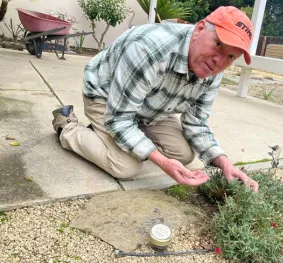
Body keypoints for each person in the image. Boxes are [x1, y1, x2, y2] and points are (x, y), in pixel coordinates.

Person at [52, 6, 259, 191]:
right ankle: (67, 127)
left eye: (231, 57)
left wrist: (225, 164)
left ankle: (113, 138)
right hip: (106, 97)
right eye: (219, 45)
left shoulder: (214, 70)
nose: (219, 61)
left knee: (185, 155)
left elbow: (197, 123)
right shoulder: (149, 49)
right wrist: (160, 160)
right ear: (199, 29)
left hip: (151, 108)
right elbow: (119, 119)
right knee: (126, 166)